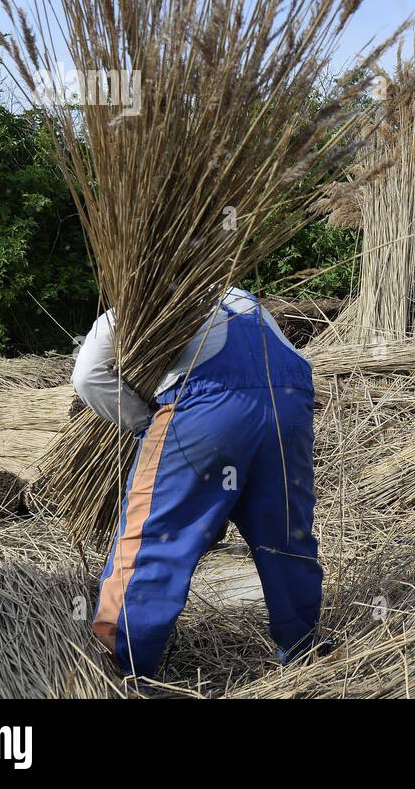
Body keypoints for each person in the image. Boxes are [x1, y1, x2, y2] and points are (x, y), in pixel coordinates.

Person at [72, 286, 321, 678]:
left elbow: (87, 376)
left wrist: (143, 425)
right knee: (286, 536)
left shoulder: (143, 304)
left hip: (207, 410)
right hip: (289, 407)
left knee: (156, 539)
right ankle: (305, 649)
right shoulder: (243, 298)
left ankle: (120, 668)